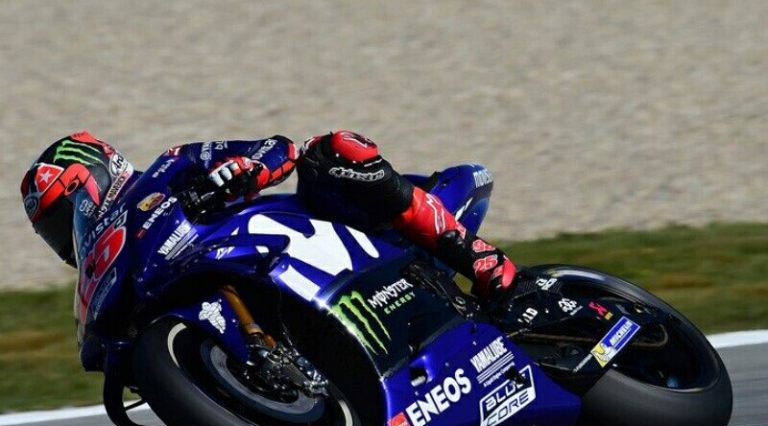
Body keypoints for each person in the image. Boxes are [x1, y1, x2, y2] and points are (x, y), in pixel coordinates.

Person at [21, 130, 516, 302]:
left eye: (62, 216)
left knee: (329, 152)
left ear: (94, 175)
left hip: (324, 235)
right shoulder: (120, 270)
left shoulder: (169, 168)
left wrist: (246, 170)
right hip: (264, 285)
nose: (63, 237)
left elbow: (278, 148)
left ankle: (483, 261)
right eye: (51, 232)